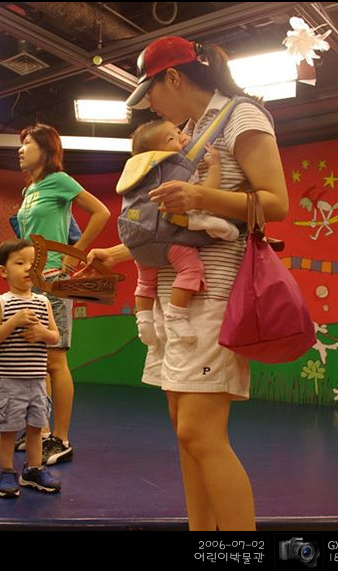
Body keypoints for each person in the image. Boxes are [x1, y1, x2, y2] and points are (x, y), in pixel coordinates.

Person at [89, 36, 289, 531]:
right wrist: (115, 254)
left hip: (213, 295)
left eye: (151, 92)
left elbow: (276, 203)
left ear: (173, 78)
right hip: (172, 301)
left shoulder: (241, 115)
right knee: (186, 435)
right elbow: (176, 228)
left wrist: (199, 195)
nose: (150, 105)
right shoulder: (191, 133)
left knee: (201, 434)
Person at [15, 124, 110, 465]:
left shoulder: (60, 181)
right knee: (37, 361)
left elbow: (101, 212)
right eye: (21, 144)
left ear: (46, 149)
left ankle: (62, 438)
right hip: (30, 282)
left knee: (55, 361)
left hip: (54, 280)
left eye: (27, 143)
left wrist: (74, 256)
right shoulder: (29, 190)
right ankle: (40, 433)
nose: (21, 149)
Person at [127, 119, 240, 346]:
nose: (181, 137)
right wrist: (215, 166)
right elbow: (205, 194)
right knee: (191, 269)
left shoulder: (139, 174)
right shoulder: (175, 169)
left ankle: (144, 321)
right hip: (167, 239)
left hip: (137, 240)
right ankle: (176, 315)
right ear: (158, 152)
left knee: (145, 281)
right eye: (172, 138)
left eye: (178, 131)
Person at [0, 239, 62, 498]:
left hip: (37, 381)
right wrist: (13, 322)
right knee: (8, 430)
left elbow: (55, 337)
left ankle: (33, 470)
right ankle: (7, 471)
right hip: (8, 381)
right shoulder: (0, 302)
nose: (28, 268)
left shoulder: (43, 302)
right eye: (20, 263)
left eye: (33, 263)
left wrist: (42, 333)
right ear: (3, 271)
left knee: (36, 428)